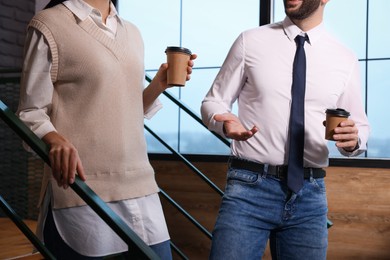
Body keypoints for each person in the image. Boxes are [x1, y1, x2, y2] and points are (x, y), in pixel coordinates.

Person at [17, 0, 196, 259]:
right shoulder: (49, 24)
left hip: (141, 185)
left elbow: (129, 111)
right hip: (84, 189)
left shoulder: (132, 32)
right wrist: (54, 138)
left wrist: (159, 84)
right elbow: (30, 112)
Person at [201, 0, 370, 259]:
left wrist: (354, 141)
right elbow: (213, 101)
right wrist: (223, 121)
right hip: (249, 188)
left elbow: (358, 124)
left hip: (309, 195)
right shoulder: (250, 41)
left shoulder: (344, 58)